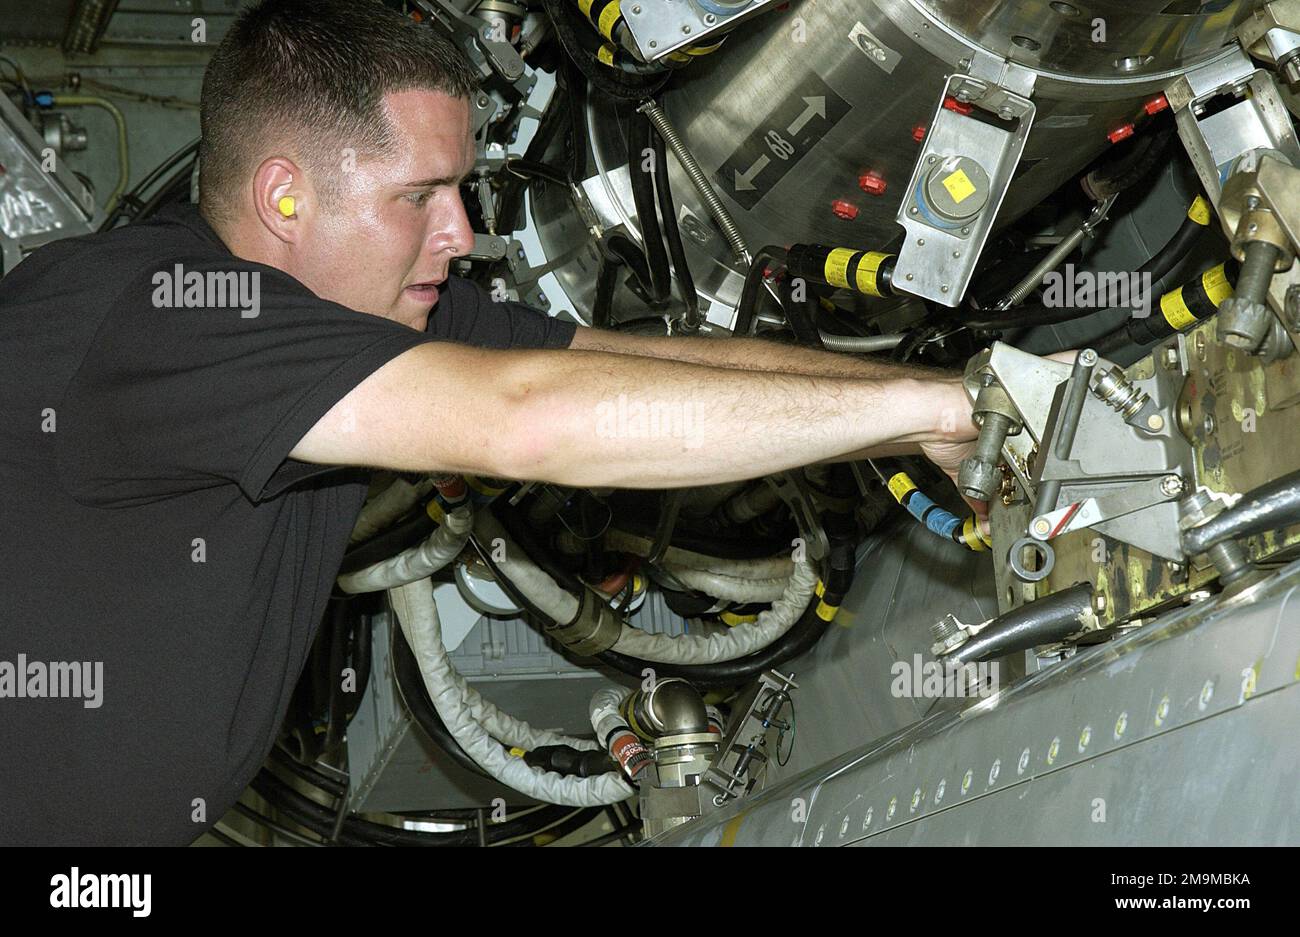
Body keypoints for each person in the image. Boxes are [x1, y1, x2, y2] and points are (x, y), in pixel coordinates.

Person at [0, 0, 982, 844]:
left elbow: (609, 360)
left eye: (462, 193)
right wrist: (922, 407)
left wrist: (909, 404)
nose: (461, 235)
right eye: (419, 197)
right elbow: (523, 422)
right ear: (285, 196)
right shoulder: (155, 310)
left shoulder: (372, 303)